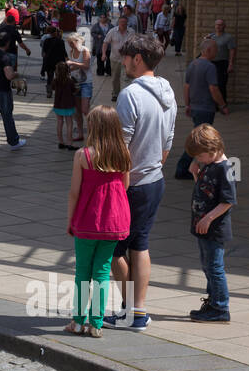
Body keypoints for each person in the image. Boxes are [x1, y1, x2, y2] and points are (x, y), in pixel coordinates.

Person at [106, 34, 177, 332]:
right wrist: (152, 167)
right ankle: (136, 310)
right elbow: (167, 143)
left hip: (131, 183)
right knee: (140, 245)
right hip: (153, 180)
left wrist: (117, 186)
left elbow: (120, 147)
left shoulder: (130, 95)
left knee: (111, 250)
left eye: (125, 56)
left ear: (137, 58)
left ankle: (133, 312)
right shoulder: (167, 90)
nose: (122, 61)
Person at [63, 105, 132, 337]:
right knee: (102, 271)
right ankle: (96, 324)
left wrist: (70, 219)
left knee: (82, 271)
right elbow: (125, 186)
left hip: (87, 220)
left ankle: (78, 321)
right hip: (113, 221)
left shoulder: (83, 155)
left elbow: (74, 191)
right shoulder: (123, 154)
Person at [186, 124, 237, 323]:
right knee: (207, 266)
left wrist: (208, 218)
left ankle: (220, 307)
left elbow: (228, 201)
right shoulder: (209, 164)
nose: (198, 160)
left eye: (200, 156)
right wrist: (195, 171)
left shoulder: (225, 169)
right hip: (203, 226)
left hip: (214, 229)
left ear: (212, 150)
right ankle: (213, 301)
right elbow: (205, 189)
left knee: (215, 267)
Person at [175, 36, 229, 179]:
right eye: (215, 50)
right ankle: (183, 168)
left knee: (198, 138)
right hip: (205, 108)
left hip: (195, 107)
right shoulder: (210, 67)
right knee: (199, 141)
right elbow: (213, 89)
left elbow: (187, 87)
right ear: (209, 50)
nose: (216, 53)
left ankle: (188, 167)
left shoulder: (193, 64)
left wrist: (187, 104)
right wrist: (223, 105)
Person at [65, 32, 91, 142]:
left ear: (78, 41)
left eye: (72, 42)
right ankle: (81, 134)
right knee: (77, 112)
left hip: (86, 83)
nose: (71, 45)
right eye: (69, 43)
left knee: (85, 110)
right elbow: (74, 68)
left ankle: (92, 133)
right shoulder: (71, 52)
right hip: (75, 83)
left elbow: (86, 65)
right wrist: (67, 70)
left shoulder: (85, 50)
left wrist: (72, 63)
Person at [101, 15, 133, 101]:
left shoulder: (131, 32)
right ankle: (115, 94)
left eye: (124, 22)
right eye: (121, 22)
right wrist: (104, 54)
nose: (123, 24)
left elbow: (135, 44)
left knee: (126, 78)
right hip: (115, 58)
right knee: (115, 77)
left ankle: (125, 95)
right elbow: (105, 43)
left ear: (127, 23)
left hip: (127, 59)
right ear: (118, 23)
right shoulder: (112, 31)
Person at [52, 61, 77, 149]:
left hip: (58, 105)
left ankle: (61, 142)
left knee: (59, 123)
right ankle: (69, 143)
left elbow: (53, 88)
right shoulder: (70, 81)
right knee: (69, 123)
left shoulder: (55, 80)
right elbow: (74, 90)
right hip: (68, 105)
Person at [210, 19, 236, 99]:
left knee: (221, 84)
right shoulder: (211, 36)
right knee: (212, 84)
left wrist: (231, 64)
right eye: (217, 24)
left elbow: (232, 50)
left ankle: (222, 104)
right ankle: (214, 104)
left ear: (224, 26)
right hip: (212, 63)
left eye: (220, 25)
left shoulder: (228, 37)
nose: (218, 26)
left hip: (222, 63)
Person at [40, 23, 67, 97]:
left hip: (49, 61)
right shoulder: (60, 41)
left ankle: (49, 92)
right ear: (55, 32)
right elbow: (63, 51)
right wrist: (66, 59)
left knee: (50, 77)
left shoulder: (46, 41)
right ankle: (59, 91)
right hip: (58, 61)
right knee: (59, 77)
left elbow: (44, 51)